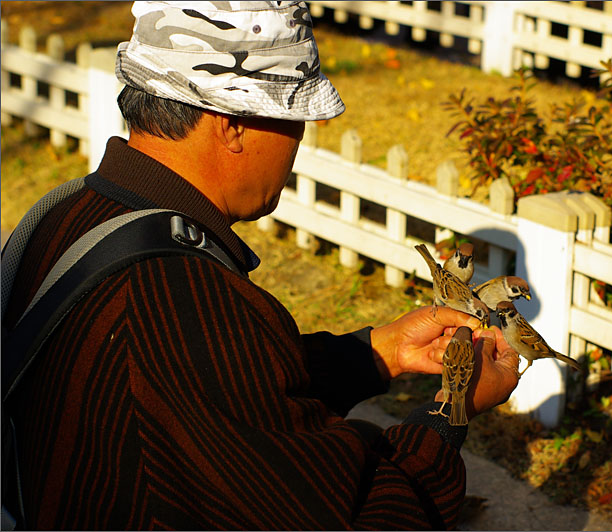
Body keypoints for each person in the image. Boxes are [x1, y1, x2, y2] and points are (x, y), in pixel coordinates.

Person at [2, 1, 520, 529]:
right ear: (232, 122)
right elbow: (356, 517)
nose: (299, 142)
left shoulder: (64, 216)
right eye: (294, 119)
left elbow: (225, 394)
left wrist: (377, 353)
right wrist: (451, 410)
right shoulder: (187, 297)